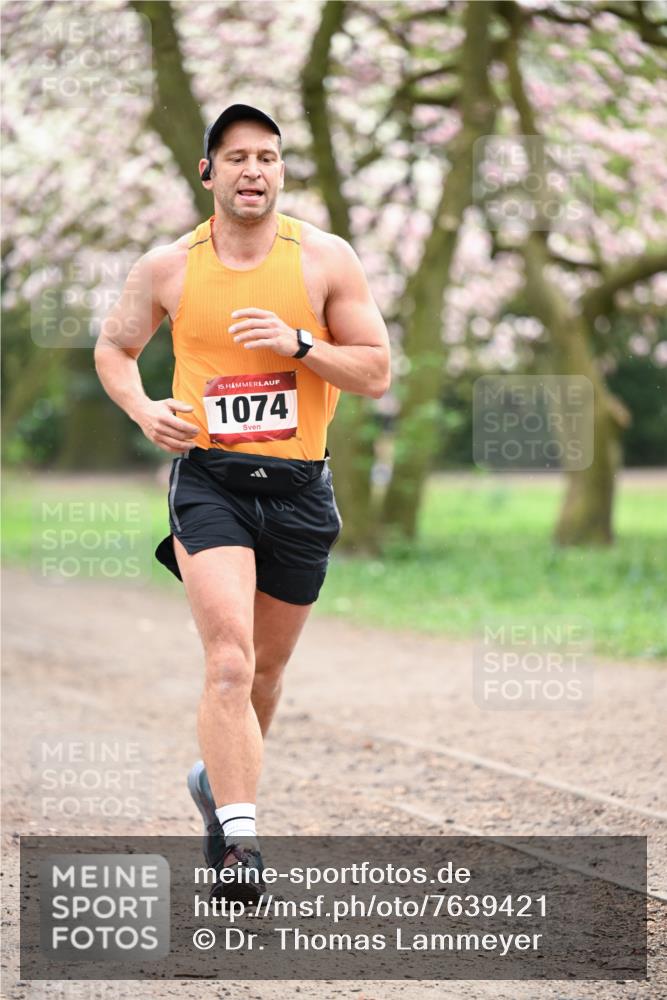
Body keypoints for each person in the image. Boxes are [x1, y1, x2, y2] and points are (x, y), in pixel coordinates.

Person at [94, 103, 391, 901]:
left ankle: (213, 782)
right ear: (208, 172)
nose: (252, 170)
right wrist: (143, 407)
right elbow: (115, 347)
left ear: (281, 171)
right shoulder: (168, 267)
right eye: (235, 158)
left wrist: (300, 345)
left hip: (299, 489)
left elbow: (374, 372)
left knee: (263, 673)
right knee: (227, 660)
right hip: (210, 480)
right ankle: (240, 841)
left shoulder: (325, 260)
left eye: (266, 157)